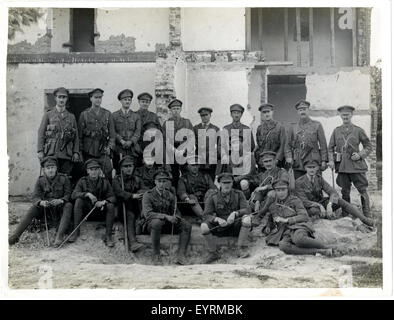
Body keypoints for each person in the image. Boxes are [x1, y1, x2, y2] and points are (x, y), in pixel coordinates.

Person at [9, 156, 73, 247]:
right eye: (48, 168)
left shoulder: (64, 178)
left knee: (68, 205)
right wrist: (40, 202)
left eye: (52, 167)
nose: (50, 170)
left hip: (59, 208)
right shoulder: (40, 181)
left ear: (56, 168)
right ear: (44, 170)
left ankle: (59, 237)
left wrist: (61, 200)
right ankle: (15, 236)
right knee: (33, 208)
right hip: (46, 209)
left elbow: (69, 194)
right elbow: (35, 196)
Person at [265, 178, 334, 256]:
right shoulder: (273, 206)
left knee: (298, 239)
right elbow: (271, 218)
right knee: (283, 246)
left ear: (287, 190)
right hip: (286, 231)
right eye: (278, 190)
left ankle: (326, 247)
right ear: (275, 191)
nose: (281, 193)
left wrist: (287, 220)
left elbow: (304, 216)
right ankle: (319, 252)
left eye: (283, 189)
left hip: (299, 226)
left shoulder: (295, 200)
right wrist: (268, 227)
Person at [295, 159, 374, 226]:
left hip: (322, 204)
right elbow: (304, 201)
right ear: (305, 168)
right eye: (309, 167)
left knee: (339, 200)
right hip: (310, 207)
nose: (311, 170)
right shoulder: (299, 182)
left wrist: (329, 205)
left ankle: (365, 220)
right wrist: (319, 205)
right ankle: (327, 219)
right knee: (315, 211)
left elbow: (333, 192)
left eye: (314, 167)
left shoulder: (319, 178)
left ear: (317, 168)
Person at [328, 105, 373, 218]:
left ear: (351, 115)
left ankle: (367, 214)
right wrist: (331, 160)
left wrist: (360, 154)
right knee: (345, 191)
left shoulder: (358, 130)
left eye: (347, 114)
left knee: (362, 189)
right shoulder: (336, 131)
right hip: (342, 166)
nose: (345, 117)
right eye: (343, 115)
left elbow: (368, 146)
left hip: (356, 165)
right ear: (340, 116)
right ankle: (345, 214)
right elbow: (330, 148)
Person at [141, 170, 192, 265]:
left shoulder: (170, 195)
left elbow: (176, 211)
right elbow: (148, 214)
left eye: (164, 181)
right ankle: (156, 255)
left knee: (187, 225)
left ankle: (181, 256)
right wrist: (166, 216)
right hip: (151, 225)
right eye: (159, 181)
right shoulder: (147, 195)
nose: (161, 184)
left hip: (166, 224)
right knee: (157, 222)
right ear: (155, 182)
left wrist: (176, 217)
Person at [200, 172, 252, 263]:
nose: (227, 185)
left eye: (229, 182)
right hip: (220, 228)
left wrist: (235, 213)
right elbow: (206, 215)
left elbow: (247, 210)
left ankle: (240, 249)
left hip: (235, 226)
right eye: (224, 183)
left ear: (232, 183)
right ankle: (213, 253)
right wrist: (216, 219)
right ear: (219, 183)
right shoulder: (213, 197)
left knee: (247, 219)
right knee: (204, 227)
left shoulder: (238, 194)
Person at [69, 159, 116, 247]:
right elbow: (73, 195)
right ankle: (76, 232)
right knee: (78, 201)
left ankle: (108, 236)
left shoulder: (105, 182)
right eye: (91, 169)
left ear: (99, 170)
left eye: (96, 169)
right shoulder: (82, 181)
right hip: (86, 212)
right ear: (87, 171)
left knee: (110, 206)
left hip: (100, 212)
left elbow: (113, 197)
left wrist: (104, 202)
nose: (94, 172)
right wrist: (87, 194)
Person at [37, 87, 80, 177]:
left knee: (65, 178)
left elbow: (76, 136)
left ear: (67, 99)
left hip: (67, 153)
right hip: (52, 152)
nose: (61, 99)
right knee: (51, 177)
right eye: (59, 97)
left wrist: (76, 152)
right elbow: (41, 132)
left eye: (64, 97)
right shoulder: (48, 114)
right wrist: (40, 150)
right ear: (55, 98)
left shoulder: (71, 116)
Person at [78, 88, 115, 180]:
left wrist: (109, 147)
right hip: (89, 151)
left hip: (103, 151)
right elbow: (79, 135)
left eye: (100, 97)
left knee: (108, 171)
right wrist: (80, 152)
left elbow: (112, 134)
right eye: (96, 97)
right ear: (91, 98)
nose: (98, 100)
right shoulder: (84, 114)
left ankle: (107, 193)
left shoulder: (107, 114)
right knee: (87, 174)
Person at [286, 100, 328, 180]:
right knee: (299, 186)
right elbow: (287, 145)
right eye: (300, 110)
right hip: (298, 162)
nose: (302, 112)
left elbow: (323, 145)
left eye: (304, 109)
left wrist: (324, 160)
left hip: (313, 161)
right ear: (297, 112)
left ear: (308, 110)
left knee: (316, 186)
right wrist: (289, 157)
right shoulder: (293, 127)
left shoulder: (317, 125)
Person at [112, 156, 145, 252]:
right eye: (126, 166)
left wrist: (140, 192)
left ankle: (140, 224)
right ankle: (133, 243)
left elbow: (145, 190)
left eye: (130, 166)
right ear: (121, 168)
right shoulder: (117, 179)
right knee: (130, 215)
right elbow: (118, 192)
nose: (128, 168)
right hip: (122, 209)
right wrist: (131, 196)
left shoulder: (137, 179)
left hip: (136, 207)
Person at [248, 151, 289, 225]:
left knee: (271, 193)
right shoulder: (264, 175)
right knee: (253, 197)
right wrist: (257, 200)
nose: (268, 164)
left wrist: (266, 187)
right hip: (267, 200)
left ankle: (259, 216)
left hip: (281, 198)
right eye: (265, 162)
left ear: (275, 161)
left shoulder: (282, 172)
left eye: (270, 161)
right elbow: (260, 191)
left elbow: (283, 184)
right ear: (263, 164)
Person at [162, 99, 194, 186]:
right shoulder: (167, 123)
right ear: (171, 111)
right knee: (174, 176)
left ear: (180, 109)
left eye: (177, 108)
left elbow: (191, 138)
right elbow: (165, 141)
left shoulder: (187, 122)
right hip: (172, 153)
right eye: (173, 109)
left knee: (186, 175)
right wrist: (175, 151)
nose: (175, 111)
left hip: (185, 153)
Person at [177, 155, 217, 220]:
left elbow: (213, 188)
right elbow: (181, 192)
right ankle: (205, 217)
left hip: (205, 201)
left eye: (196, 165)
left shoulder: (206, 176)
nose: (195, 167)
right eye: (192, 165)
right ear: (188, 166)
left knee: (211, 192)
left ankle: (210, 214)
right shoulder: (183, 178)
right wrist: (187, 199)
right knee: (192, 196)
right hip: (191, 204)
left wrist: (212, 194)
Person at [112, 89, 141, 173]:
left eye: (129, 100)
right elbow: (112, 131)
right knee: (119, 171)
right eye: (125, 100)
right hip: (119, 148)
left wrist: (131, 142)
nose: (127, 102)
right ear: (121, 101)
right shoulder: (114, 115)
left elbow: (137, 132)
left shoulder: (136, 116)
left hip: (132, 149)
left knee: (133, 170)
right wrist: (121, 141)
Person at [255, 103, 288, 168]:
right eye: (264, 112)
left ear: (272, 112)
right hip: (263, 161)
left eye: (268, 112)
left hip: (276, 161)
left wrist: (277, 159)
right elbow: (259, 145)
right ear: (261, 114)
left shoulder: (280, 127)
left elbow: (283, 145)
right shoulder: (260, 128)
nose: (267, 114)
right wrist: (259, 159)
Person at [193, 107, 220, 181]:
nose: (204, 117)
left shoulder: (215, 129)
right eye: (202, 115)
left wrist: (216, 156)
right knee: (200, 181)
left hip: (211, 161)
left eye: (206, 115)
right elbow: (192, 143)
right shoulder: (196, 128)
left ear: (210, 115)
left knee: (210, 180)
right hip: (199, 160)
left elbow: (219, 145)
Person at [136, 92, 162, 159]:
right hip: (137, 146)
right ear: (139, 102)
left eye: (147, 102)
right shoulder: (134, 115)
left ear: (149, 103)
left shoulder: (153, 116)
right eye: (143, 101)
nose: (145, 104)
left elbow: (159, 132)